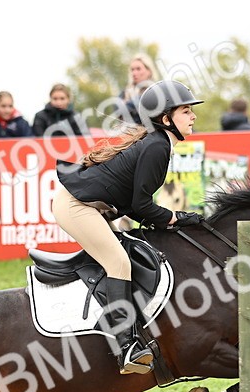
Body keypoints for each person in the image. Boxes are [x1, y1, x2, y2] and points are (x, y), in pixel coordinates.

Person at [53, 80, 204, 375]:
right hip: (76, 207)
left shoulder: (159, 143)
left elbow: (138, 208)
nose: (193, 116)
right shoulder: (157, 146)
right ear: (166, 119)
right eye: (186, 111)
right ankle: (126, 348)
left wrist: (172, 218)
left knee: (126, 255)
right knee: (119, 262)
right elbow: (142, 206)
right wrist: (176, 218)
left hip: (86, 206)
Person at [115, 53, 158, 125]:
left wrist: (128, 104)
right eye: (132, 70)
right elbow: (118, 111)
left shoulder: (156, 91)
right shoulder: (125, 92)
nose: (134, 73)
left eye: (138, 69)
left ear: (149, 71)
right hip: (128, 133)